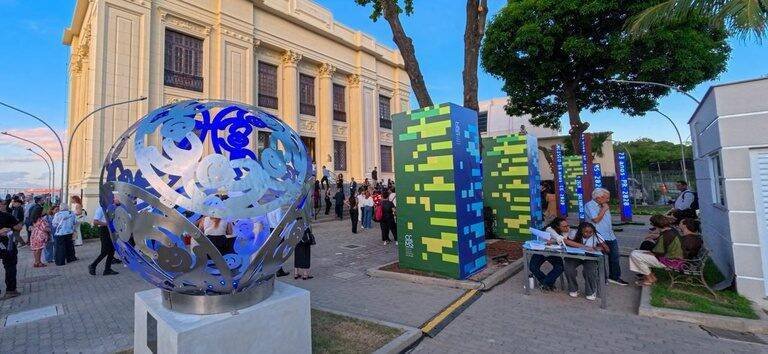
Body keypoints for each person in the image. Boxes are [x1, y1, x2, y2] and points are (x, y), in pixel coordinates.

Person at [629, 216, 701, 286]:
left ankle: (649, 278)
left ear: (656, 225)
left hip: (672, 261)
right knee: (635, 253)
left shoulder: (666, 235)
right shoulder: (672, 230)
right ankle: (651, 277)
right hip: (674, 258)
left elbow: (658, 253)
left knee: (635, 255)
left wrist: (646, 253)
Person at [584, 188, 628, 286]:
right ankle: (602, 278)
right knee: (600, 258)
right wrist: (604, 209)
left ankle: (615, 277)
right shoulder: (589, 205)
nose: (608, 200)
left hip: (610, 235)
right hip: (598, 236)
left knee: (615, 257)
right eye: (606, 198)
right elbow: (595, 219)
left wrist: (604, 207)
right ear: (599, 197)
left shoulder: (604, 205)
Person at [563, 222, 609, 300]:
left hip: (590, 257)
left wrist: (598, 248)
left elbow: (607, 249)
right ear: (580, 231)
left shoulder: (597, 236)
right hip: (576, 255)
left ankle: (590, 291)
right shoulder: (574, 233)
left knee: (589, 271)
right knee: (568, 268)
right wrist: (581, 246)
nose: (588, 234)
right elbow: (566, 243)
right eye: (585, 232)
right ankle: (573, 289)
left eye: (590, 232)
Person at [529, 217, 569, 291]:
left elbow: (563, 241)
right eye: (564, 226)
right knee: (533, 267)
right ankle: (548, 282)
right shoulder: (549, 229)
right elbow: (560, 239)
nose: (567, 228)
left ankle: (545, 283)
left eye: (567, 225)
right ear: (557, 226)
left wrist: (553, 241)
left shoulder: (565, 231)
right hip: (541, 251)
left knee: (560, 267)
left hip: (553, 252)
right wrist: (556, 240)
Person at [0, 199, 23, 299]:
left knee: (10, 265)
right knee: (10, 266)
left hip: (7, 244)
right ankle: (10, 290)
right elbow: (18, 227)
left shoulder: (7, 215)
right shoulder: (6, 215)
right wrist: (9, 227)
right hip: (7, 244)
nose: (4, 205)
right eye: (2, 204)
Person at [88, 203, 119, 276]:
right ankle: (93, 265)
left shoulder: (110, 208)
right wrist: (107, 224)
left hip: (110, 230)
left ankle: (107, 269)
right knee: (105, 251)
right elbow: (95, 222)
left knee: (112, 250)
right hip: (104, 230)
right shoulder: (100, 209)